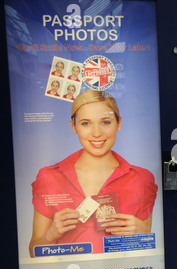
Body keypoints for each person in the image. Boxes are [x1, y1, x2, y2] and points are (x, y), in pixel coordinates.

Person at [29, 90, 158, 256]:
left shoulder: (141, 179)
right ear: (73, 126)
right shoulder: (49, 177)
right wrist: (51, 234)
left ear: (118, 123)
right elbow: (33, 252)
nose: (97, 133)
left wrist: (144, 236)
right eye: (85, 123)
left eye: (105, 122)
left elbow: (146, 253)